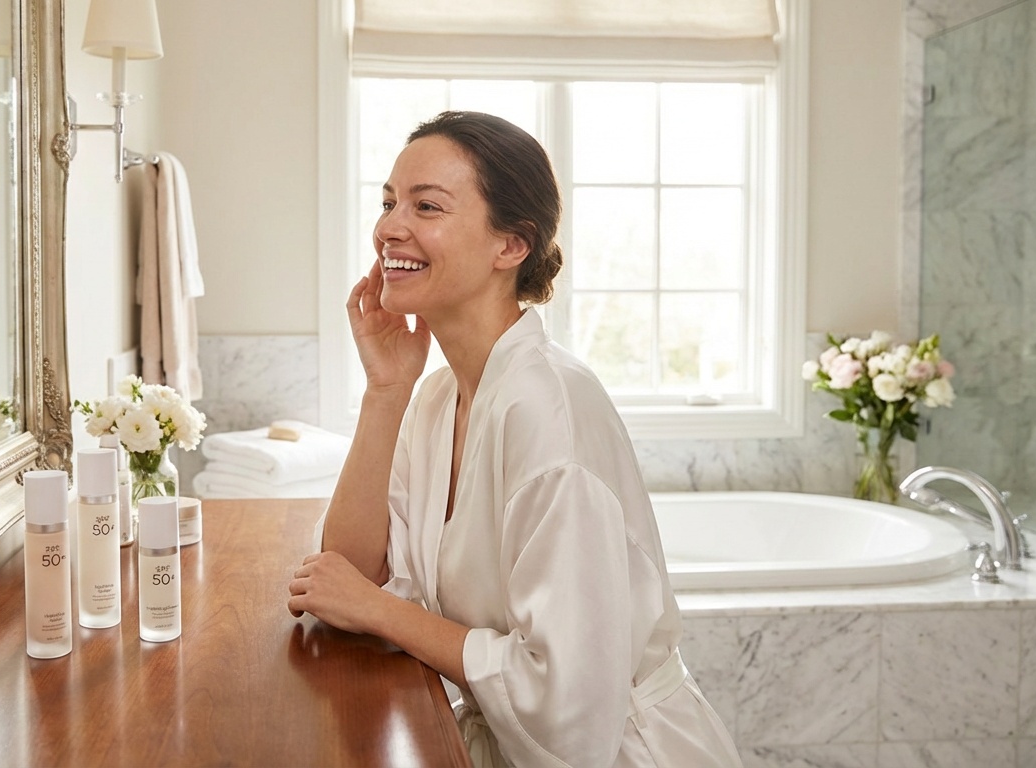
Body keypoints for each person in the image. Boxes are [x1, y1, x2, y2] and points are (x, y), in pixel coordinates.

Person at [286, 110, 741, 767]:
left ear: (511, 246)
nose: (389, 227)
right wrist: (386, 392)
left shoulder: (547, 408)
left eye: (427, 205)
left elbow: (568, 706)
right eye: (388, 202)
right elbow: (350, 576)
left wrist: (381, 613)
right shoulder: (441, 397)